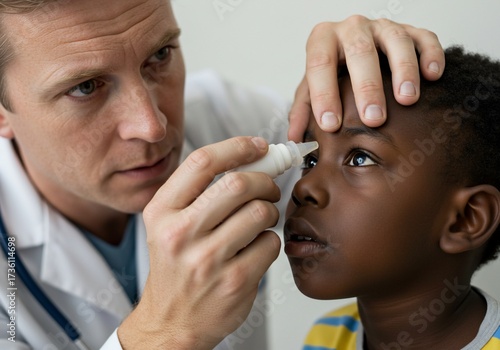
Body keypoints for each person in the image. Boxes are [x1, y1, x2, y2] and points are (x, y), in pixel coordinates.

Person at [0, 0, 445, 349]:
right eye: (85, 87)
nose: (152, 125)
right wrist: (164, 336)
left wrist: (374, 70)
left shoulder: (229, 123)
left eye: (160, 54)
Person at [285, 46, 500, 350]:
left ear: (465, 219)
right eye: (310, 160)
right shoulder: (327, 336)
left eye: (360, 158)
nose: (304, 188)